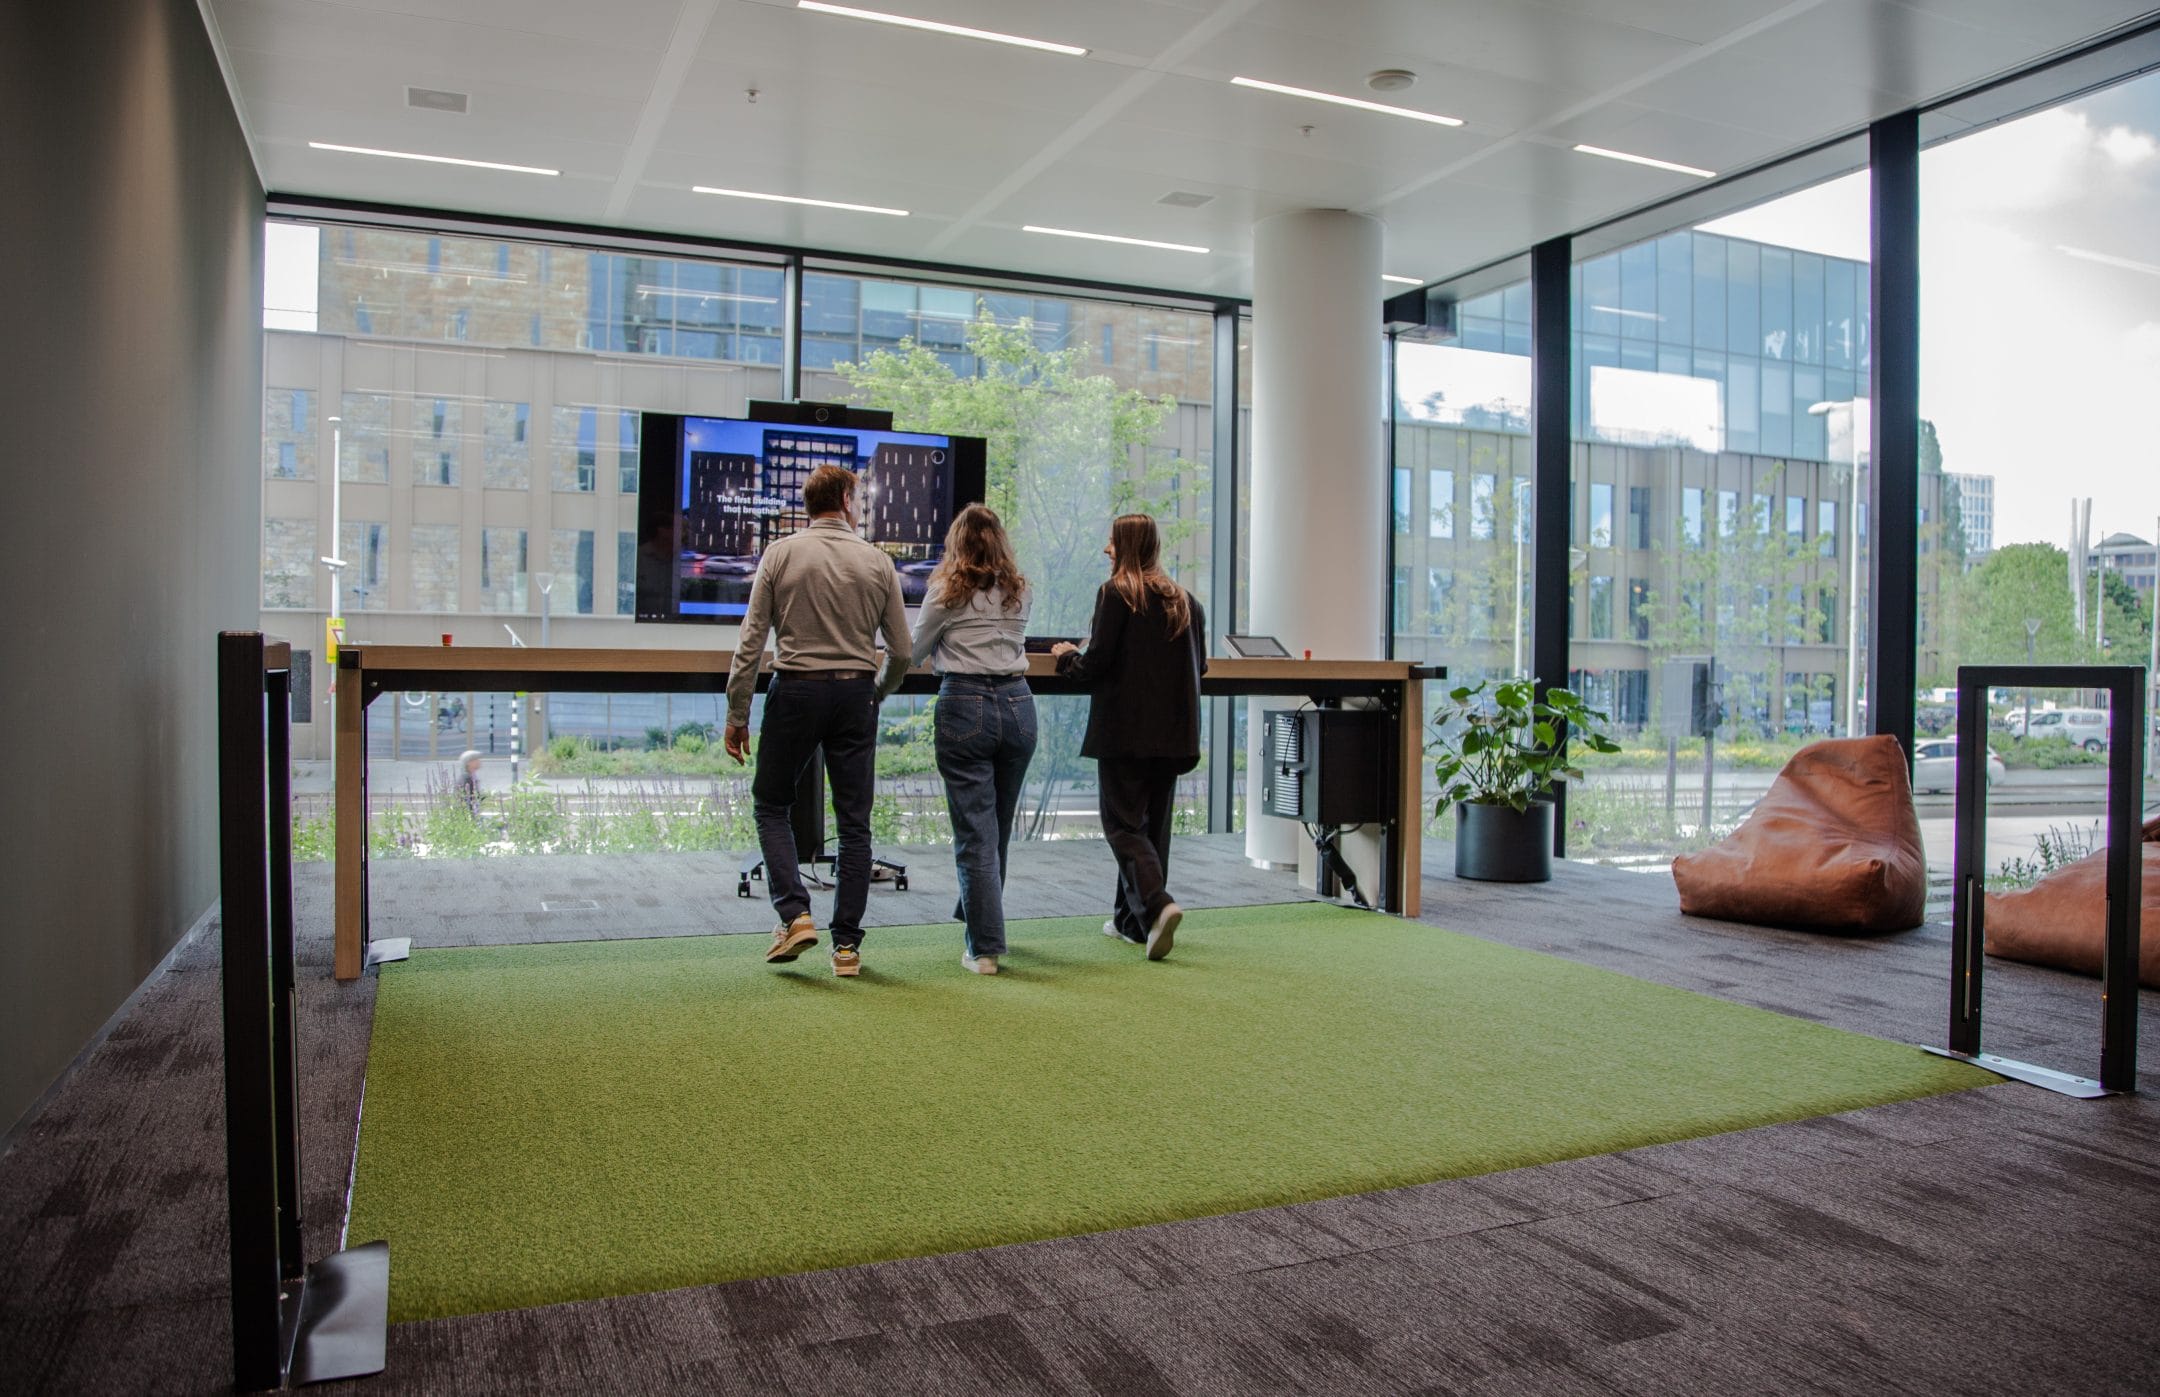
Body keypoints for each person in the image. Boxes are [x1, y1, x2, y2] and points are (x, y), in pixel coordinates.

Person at [724, 464, 909, 979]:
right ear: (848, 499)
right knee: (854, 824)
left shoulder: (780, 554)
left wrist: (737, 713)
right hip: (855, 692)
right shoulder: (876, 561)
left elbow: (750, 641)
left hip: (796, 690)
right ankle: (846, 948)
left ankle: (794, 915)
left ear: (809, 505)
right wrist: (875, 692)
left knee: (770, 804)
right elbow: (902, 649)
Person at [1052, 514, 1206, 961]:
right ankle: (1133, 924)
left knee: (1122, 826)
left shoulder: (1115, 593)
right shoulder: (1187, 603)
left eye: (1112, 542)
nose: (1106, 550)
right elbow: (1201, 669)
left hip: (1125, 733)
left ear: (1127, 546)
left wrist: (1066, 657)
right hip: (1176, 736)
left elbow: (1096, 666)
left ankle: (1158, 906)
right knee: (1152, 831)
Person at [911, 504, 1036, 976]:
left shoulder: (946, 591)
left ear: (957, 543)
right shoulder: (1019, 592)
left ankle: (984, 948)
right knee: (997, 827)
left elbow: (914, 651)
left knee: (974, 834)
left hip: (966, 705)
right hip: (1020, 707)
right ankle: (978, 912)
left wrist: (878, 688)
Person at [455, 750, 483, 818]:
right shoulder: (466, 779)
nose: (479, 761)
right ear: (468, 763)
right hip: (467, 816)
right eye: (476, 759)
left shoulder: (472, 776)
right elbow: (470, 798)